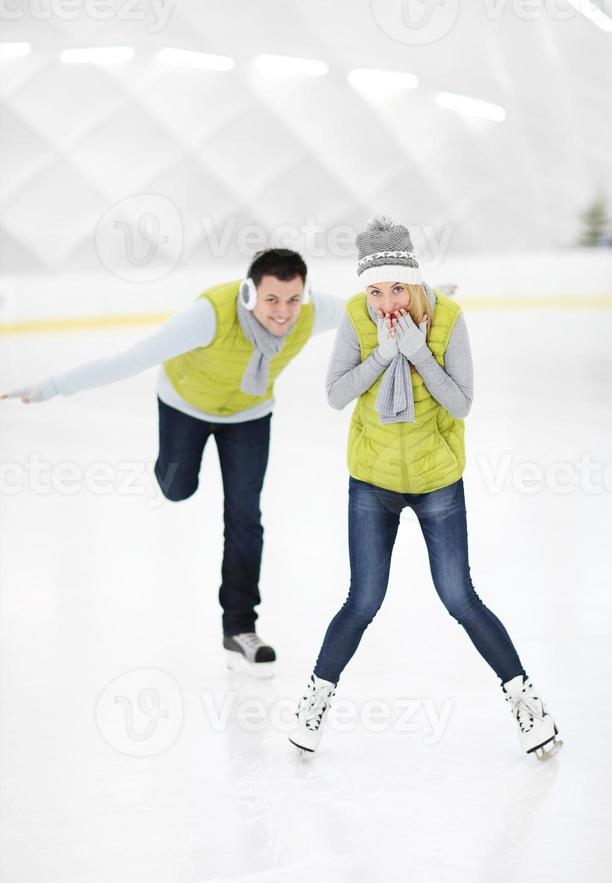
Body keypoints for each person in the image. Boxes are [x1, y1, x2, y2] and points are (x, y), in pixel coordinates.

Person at [288, 217, 562, 759]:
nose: (386, 301)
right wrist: (383, 355)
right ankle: (314, 702)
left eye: (396, 287)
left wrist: (417, 353)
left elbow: (460, 402)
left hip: (437, 481)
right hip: (373, 481)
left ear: (413, 281)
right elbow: (336, 394)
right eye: (374, 289)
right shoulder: (355, 317)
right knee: (363, 600)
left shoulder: (450, 319)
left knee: (459, 596)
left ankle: (527, 705)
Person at [1, 249, 345, 678]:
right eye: (272, 299)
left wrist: (424, 305)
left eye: (293, 299)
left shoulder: (311, 313)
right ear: (249, 291)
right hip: (185, 406)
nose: (283, 312)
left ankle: (240, 629)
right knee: (177, 488)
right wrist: (49, 387)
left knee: (245, 517)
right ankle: (170, 470)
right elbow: (128, 360)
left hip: (249, 415)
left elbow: (366, 306)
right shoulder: (210, 315)